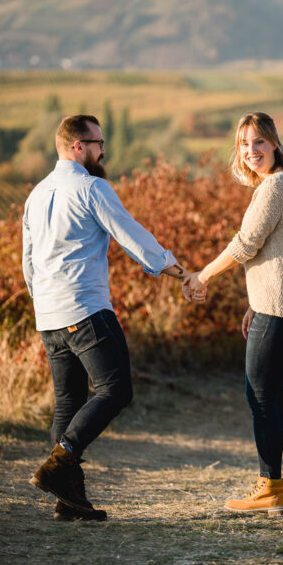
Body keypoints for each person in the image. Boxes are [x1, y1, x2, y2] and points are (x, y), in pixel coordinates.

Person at [23, 113, 197, 521]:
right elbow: (131, 234)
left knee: (69, 403)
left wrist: (41, 302)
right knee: (116, 389)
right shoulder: (90, 187)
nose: (104, 150)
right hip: (84, 308)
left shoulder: (36, 194)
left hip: (48, 314)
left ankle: (70, 502)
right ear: (77, 147)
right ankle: (57, 464)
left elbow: (28, 261)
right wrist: (179, 272)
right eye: (99, 143)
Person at [185, 112, 283, 516]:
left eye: (259, 142)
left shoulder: (277, 187)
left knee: (259, 396)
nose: (251, 150)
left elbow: (246, 245)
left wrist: (201, 276)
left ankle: (275, 486)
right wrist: (253, 303)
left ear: (275, 143)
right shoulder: (281, 185)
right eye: (243, 144)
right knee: (269, 393)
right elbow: (277, 254)